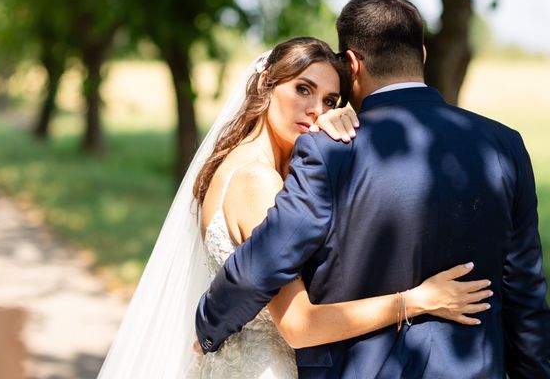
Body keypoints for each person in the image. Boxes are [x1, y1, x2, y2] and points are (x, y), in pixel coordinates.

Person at [196, 0, 550, 378]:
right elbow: (524, 297)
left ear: (352, 64)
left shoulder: (329, 151)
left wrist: (209, 326)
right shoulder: (504, 146)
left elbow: (264, 261)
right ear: (423, 55)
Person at [97, 36, 491, 379]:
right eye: (303, 89)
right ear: (267, 85)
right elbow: (299, 325)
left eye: (329, 99)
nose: (316, 110)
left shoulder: (229, 164)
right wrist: (416, 300)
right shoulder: (257, 182)